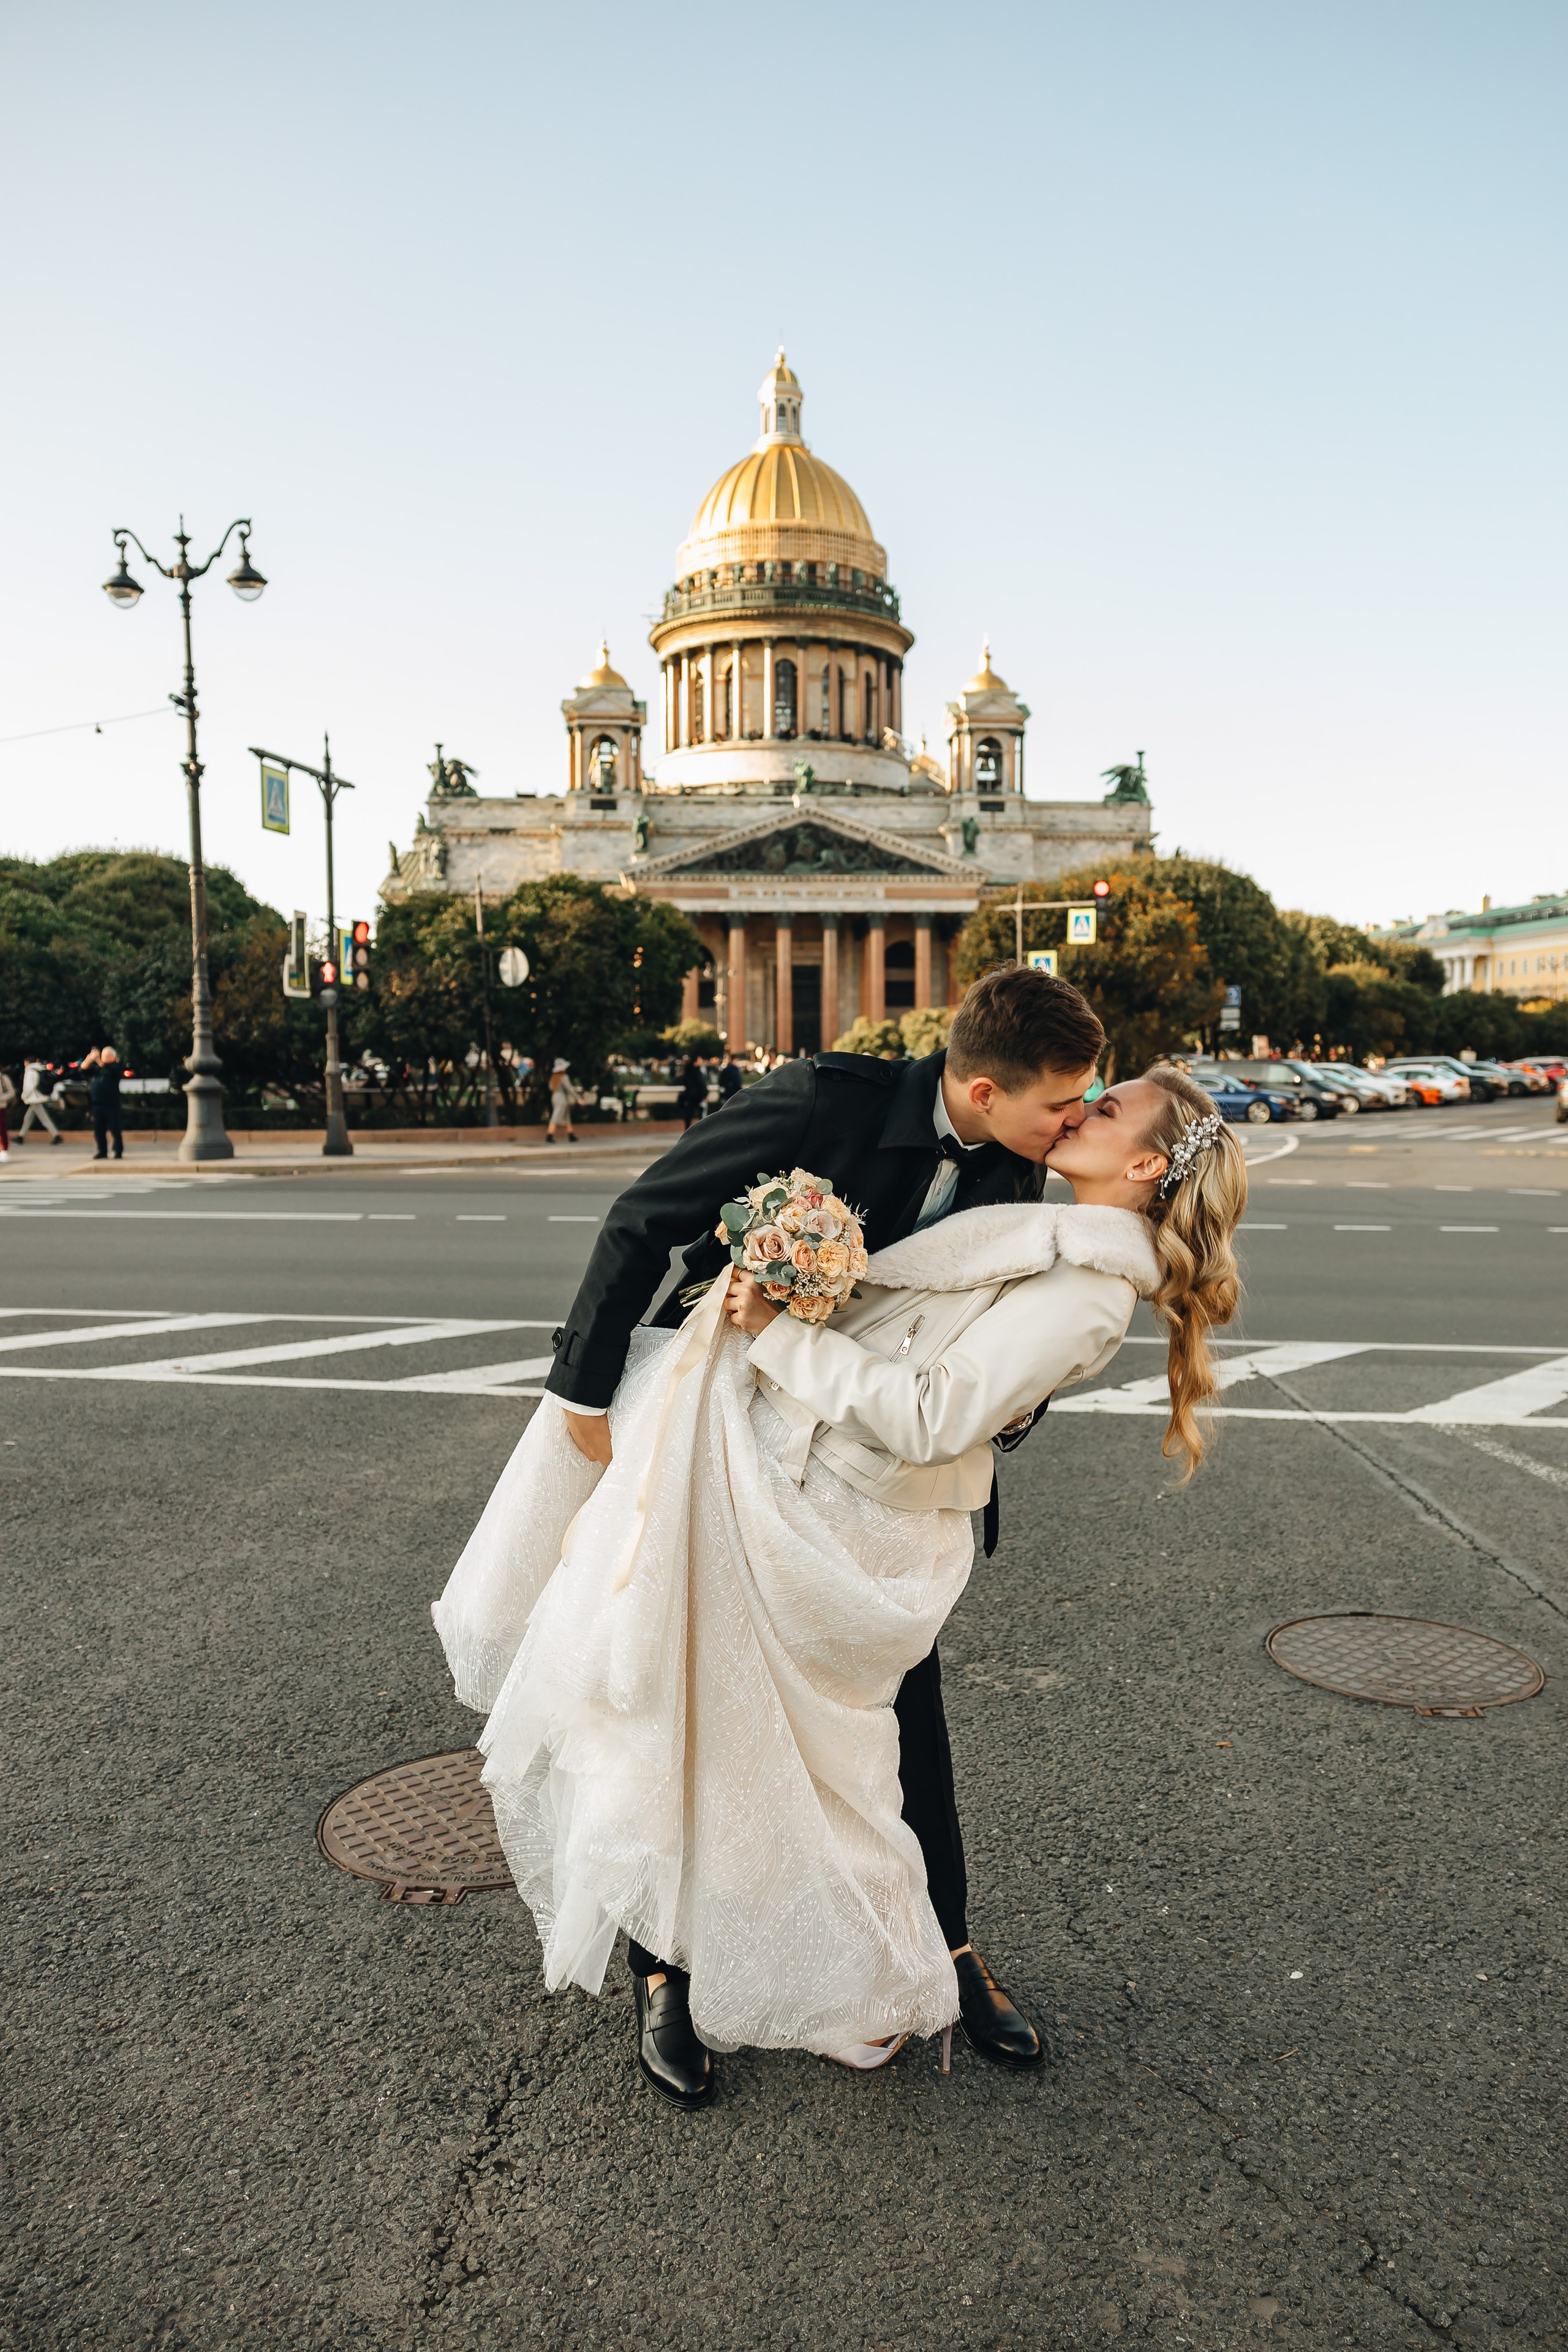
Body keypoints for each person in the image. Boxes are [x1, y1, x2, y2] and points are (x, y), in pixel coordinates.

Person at [434, 1052, 1244, 2103]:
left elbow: (957, 1393)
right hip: (776, 1464)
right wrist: (596, 1389)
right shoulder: (873, 1118)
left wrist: (795, 1339)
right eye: (1074, 1094)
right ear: (988, 1086)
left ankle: (935, 1952)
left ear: (1143, 1163)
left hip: (863, 1512)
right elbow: (654, 1219)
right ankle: (666, 1969)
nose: (1083, 1108)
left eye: (1107, 1101)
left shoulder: (1053, 1212)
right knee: (676, 1697)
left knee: (876, 1746)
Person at [86, 1047, 125, 1161]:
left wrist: (98, 1060)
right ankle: (102, 1151)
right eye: (103, 1055)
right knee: (99, 1130)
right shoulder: (97, 1068)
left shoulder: (115, 1067)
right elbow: (82, 1070)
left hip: (111, 1104)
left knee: (115, 1128)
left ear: (114, 1057)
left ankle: (118, 1151)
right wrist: (89, 1059)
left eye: (107, 1056)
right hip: (97, 1104)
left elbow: (111, 1072)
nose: (104, 1058)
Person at [17, 1060, 62, 1145]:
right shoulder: (39, 1069)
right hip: (39, 1096)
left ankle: (56, 1135)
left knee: (44, 1118)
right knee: (28, 1118)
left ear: (27, 1062)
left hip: (34, 1098)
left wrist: (25, 1096)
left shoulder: (30, 1071)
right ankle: (21, 1136)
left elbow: (29, 1087)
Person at [546, 1058, 577, 1144]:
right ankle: (549, 1135)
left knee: (566, 1117)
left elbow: (551, 1088)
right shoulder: (564, 1077)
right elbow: (570, 1088)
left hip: (555, 1097)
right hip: (562, 1098)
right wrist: (578, 1098)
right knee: (556, 1117)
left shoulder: (553, 1077)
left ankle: (571, 1135)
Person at [677, 1055, 708, 1130]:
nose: (701, 1062)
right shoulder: (697, 1072)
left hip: (690, 1096)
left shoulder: (688, 1072)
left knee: (689, 1115)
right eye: (700, 1060)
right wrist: (704, 1095)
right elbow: (701, 1085)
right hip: (698, 1097)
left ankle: (687, 1131)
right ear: (695, 1062)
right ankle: (702, 1131)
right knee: (702, 1115)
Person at [0, 1066, 13, 1159]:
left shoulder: (3, 1078)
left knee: (2, 1129)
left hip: (1, 1107)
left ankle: (4, 1150)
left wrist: (1, 1098)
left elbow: (11, 1092)